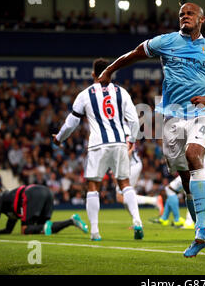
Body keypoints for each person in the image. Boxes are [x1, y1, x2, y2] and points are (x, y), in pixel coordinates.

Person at [97, 3, 205, 257]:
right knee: (185, 179)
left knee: (194, 156)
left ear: (202, 19)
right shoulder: (165, 42)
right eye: (181, 14)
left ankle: (201, 228)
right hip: (171, 118)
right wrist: (109, 69)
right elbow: (134, 53)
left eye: (190, 14)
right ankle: (202, 233)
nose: (184, 17)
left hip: (200, 112)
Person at [53, 58, 144, 241]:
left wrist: (60, 138)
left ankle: (95, 231)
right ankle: (137, 221)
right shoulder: (122, 92)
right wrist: (132, 140)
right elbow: (134, 120)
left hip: (98, 144)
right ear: (110, 71)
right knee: (124, 183)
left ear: (93, 74)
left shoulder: (85, 94)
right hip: (119, 142)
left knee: (93, 186)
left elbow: (72, 122)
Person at [0, 185, 88, 236]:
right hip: (47, 192)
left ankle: (59, 223)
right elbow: (8, 230)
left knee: (25, 230)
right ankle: (71, 221)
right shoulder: (9, 203)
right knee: (43, 228)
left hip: (31, 193)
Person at [115, 147, 164, 218]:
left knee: (120, 197)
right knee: (125, 195)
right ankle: (136, 221)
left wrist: (119, 166)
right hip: (132, 166)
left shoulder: (123, 137)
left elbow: (129, 150)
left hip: (132, 166)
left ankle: (154, 200)